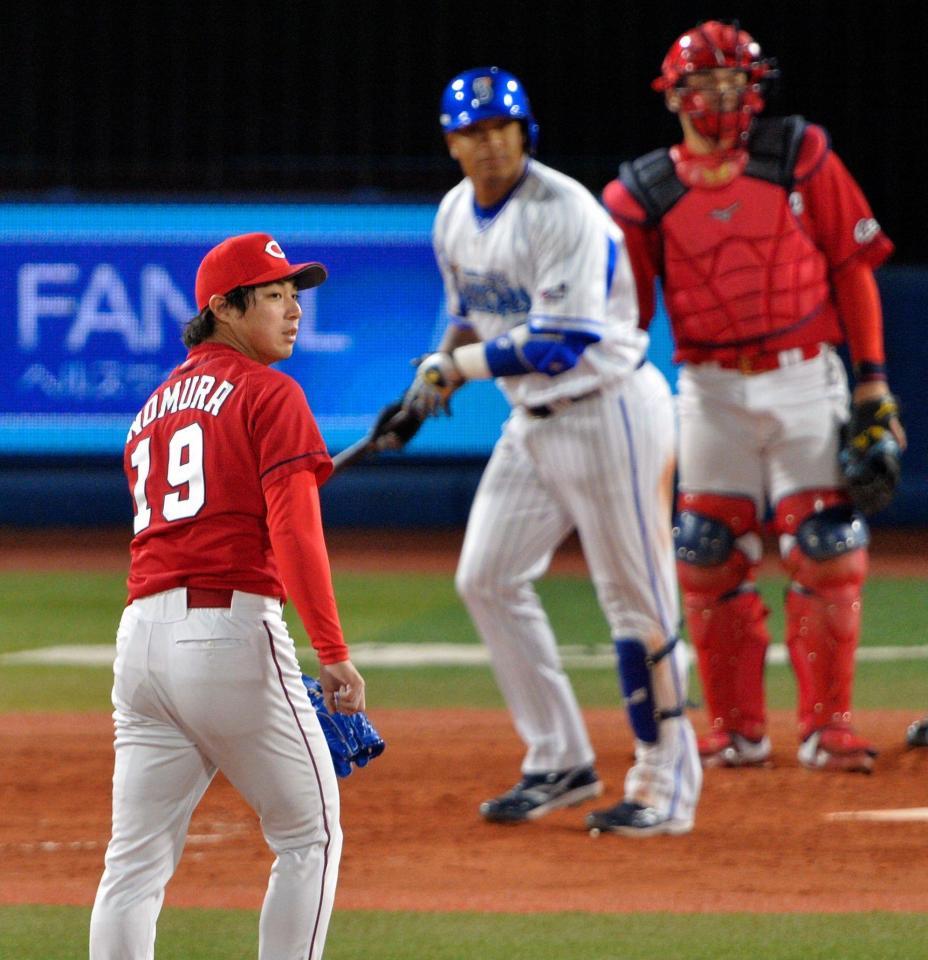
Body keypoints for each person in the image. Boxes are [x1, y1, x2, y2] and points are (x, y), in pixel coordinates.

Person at [400, 65, 702, 837]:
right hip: (532, 421)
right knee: (487, 577)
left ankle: (667, 784)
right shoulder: (454, 214)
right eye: (472, 131)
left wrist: (454, 368)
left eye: (501, 127)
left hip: (611, 411)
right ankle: (560, 757)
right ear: (451, 143)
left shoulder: (565, 210)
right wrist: (432, 376)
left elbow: (559, 343)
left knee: (639, 603)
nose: (488, 143)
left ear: (525, 132)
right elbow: (468, 317)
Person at [602, 21, 906, 774]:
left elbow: (853, 266)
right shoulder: (637, 194)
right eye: (707, 83)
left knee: (828, 546)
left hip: (806, 373)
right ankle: (736, 730)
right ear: (674, 95)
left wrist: (872, 381)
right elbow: (627, 319)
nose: (723, 97)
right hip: (708, 386)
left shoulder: (800, 153)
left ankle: (827, 728)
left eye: (735, 82)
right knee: (705, 553)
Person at [89, 232, 366, 960]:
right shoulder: (272, 393)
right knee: (310, 835)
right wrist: (332, 650)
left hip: (140, 645)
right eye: (274, 295)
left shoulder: (151, 410)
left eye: (294, 295)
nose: (294, 310)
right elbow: (296, 533)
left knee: (133, 865)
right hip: (225, 635)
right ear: (223, 307)